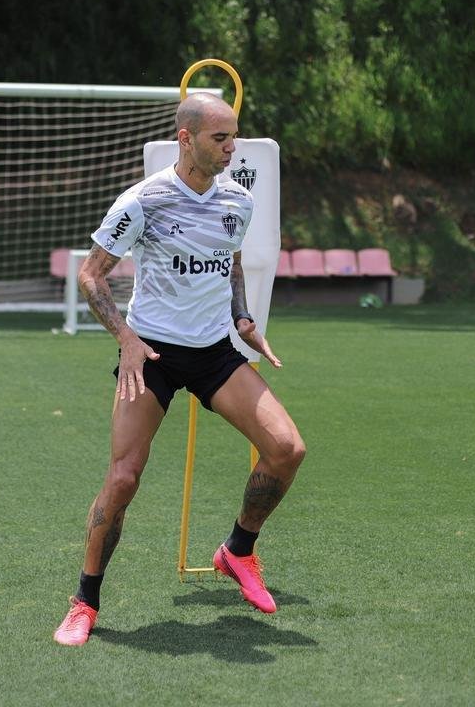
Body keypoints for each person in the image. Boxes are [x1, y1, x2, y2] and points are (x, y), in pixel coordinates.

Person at [53, 92, 306, 646]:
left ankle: (238, 550)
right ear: (186, 139)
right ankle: (83, 603)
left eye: (235, 137)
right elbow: (92, 277)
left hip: (214, 350)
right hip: (153, 355)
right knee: (123, 477)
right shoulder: (144, 201)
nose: (232, 148)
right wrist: (124, 338)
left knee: (287, 449)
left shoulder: (237, 201)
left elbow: (232, 263)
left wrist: (242, 318)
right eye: (221, 138)